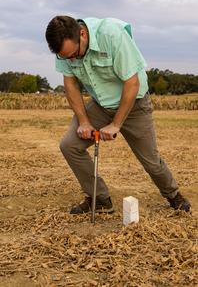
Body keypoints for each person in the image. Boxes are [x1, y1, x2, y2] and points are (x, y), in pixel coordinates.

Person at [45, 16, 191, 214]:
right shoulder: (65, 49)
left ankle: (173, 195)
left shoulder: (113, 34)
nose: (71, 60)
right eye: (66, 57)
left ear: (82, 33)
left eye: (74, 54)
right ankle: (100, 199)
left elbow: (132, 83)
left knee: (150, 160)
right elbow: (70, 84)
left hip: (134, 104)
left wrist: (116, 124)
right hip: (100, 104)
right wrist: (84, 121)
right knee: (69, 146)